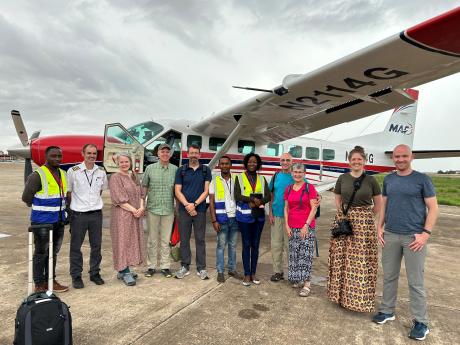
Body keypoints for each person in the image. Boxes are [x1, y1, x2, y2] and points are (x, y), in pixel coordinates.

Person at [372, 144, 438, 341]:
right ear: (393, 158)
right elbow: (384, 204)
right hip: (391, 234)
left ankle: (421, 322)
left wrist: (425, 234)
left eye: (404, 156)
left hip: (413, 238)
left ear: (412, 157)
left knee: (415, 282)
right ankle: (387, 310)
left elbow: (433, 208)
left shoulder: (422, 179)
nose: (400, 160)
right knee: (389, 276)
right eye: (397, 156)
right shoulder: (389, 179)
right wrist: (379, 227)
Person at [327, 145, 382, 312]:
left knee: (360, 262)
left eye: (359, 159)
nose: (356, 162)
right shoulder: (342, 178)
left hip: (363, 223)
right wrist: (341, 212)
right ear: (349, 162)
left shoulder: (371, 180)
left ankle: (358, 300)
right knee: (341, 259)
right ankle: (339, 296)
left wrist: (366, 217)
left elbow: (378, 204)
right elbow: (337, 197)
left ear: (364, 161)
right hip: (344, 220)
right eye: (353, 159)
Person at [21, 146, 69, 293]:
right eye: (53, 156)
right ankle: (39, 284)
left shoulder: (63, 173)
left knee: (53, 253)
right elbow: (26, 197)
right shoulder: (37, 175)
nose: (57, 159)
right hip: (42, 222)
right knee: (41, 253)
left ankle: (51, 280)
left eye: (59, 156)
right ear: (46, 157)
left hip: (59, 221)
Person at [67, 144, 108, 289]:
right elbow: (69, 192)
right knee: (76, 247)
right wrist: (70, 212)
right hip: (79, 215)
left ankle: (94, 273)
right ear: (82, 153)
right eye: (89, 153)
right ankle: (76, 275)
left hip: (96, 214)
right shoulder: (73, 171)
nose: (92, 156)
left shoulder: (101, 172)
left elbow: (100, 191)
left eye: (94, 153)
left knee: (96, 246)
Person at [174, 144, 212, 280]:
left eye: (196, 153)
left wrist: (194, 205)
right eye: (191, 153)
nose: (194, 155)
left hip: (200, 210)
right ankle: (185, 266)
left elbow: (206, 190)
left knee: (200, 239)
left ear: (200, 155)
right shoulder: (181, 171)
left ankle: (201, 268)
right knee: (184, 240)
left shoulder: (206, 170)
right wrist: (187, 205)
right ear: (187, 154)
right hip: (185, 211)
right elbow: (177, 190)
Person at [108, 153, 146, 286]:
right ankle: (125, 271)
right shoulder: (115, 178)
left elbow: (141, 194)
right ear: (118, 163)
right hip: (122, 215)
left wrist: (141, 207)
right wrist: (134, 210)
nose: (124, 164)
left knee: (132, 242)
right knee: (123, 242)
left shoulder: (134, 176)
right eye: (121, 162)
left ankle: (123, 269)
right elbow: (119, 199)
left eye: (126, 162)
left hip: (135, 214)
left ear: (130, 162)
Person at [142, 143, 178, 278]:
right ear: (157, 153)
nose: (165, 154)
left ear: (170, 154)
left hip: (168, 209)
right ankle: (151, 266)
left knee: (165, 240)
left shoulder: (175, 169)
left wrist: (177, 208)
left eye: (167, 152)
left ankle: (165, 266)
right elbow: (144, 186)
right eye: (162, 152)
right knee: (152, 239)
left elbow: (177, 190)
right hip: (152, 208)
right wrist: (142, 204)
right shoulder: (150, 169)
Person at [234, 153, 270, 286]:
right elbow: (237, 195)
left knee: (255, 245)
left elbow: (268, 196)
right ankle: (247, 274)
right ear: (246, 163)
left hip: (259, 217)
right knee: (246, 244)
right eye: (250, 161)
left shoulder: (262, 178)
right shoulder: (239, 177)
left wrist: (259, 201)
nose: (252, 164)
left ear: (258, 164)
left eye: (255, 162)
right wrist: (251, 199)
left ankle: (253, 273)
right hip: (244, 217)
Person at [284, 163, 318, 297]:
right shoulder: (288, 189)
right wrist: (286, 225)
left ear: (304, 174)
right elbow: (286, 208)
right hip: (292, 226)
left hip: (306, 227)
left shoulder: (310, 188)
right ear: (291, 173)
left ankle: (307, 284)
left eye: (300, 172)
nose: (297, 174)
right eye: (295, 172)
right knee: (295, 255)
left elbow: (313, 208)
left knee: (306, 255)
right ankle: (298, 279)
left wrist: (306, 225)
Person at [209, 156, 239, 283]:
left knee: (233, 245)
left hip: (235, 218)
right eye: (222, 164)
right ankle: (220, 271)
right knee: (221, 246)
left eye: (227, 164)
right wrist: (214, 220)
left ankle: (232, 269)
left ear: (230, 165)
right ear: (219, 166)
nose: (225, 166)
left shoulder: (238, 180)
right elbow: (211, 202)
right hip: (221, 219)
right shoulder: (214, 181)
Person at [268, 152, 294, 282]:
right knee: (276, 245)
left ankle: (293, 273)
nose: (285, 162)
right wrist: (270, 213)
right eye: (283, 160)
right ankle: (278, 271)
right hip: (277, 215)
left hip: (292, 218)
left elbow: (308, 191)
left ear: (292, 162)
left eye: (287, 160)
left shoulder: (296, 176)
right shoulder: (276, 176)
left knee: (290, 246)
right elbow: (271, 195)